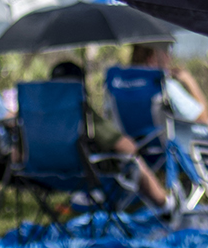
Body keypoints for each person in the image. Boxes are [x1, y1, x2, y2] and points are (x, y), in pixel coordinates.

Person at [49, 60, 168, 208]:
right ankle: (166, 208)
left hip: (45, 176)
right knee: (133, 161)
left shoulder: (38, 116)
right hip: (86, 174)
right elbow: (127, 147)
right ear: (80, 86)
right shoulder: (82, 114)